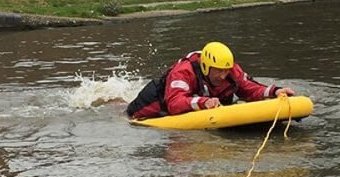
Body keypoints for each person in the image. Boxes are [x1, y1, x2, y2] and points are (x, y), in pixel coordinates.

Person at [126, 41, 295, 120]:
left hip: (198, 99)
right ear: (206, 67)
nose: (223, 76)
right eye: (218, 71)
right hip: (154, 103)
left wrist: (275, 91)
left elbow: (248, 87)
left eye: (225, 70)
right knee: (125, 115)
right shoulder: (184, 71)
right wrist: (203, 102)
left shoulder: (231, 70)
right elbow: (174, 102)